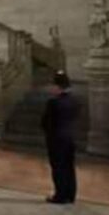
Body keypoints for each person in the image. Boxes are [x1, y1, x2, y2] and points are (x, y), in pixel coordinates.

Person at [42, 70, 79, 204]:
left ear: (57, 86)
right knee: (69, 166)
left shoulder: (53, 102)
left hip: (56, 139)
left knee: (58, 167)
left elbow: (46, 122)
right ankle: (71, 194)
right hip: (70, 137)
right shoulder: (74, 100)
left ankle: (60, 195)